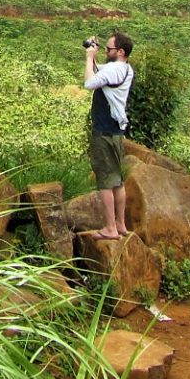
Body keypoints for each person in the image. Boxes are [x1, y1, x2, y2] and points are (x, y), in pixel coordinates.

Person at [83, 32, 135, 240]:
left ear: (120, 51)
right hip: (115, 131)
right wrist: (93, 57)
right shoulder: (125, 69)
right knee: (117, 180)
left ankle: (110, 228)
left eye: (109, 49)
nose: (106, 52)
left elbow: (89, 83)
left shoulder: (115, 69)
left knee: (105, 180)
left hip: (104, 131)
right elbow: (99, 73)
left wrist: (88, 58)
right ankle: (120, 224)